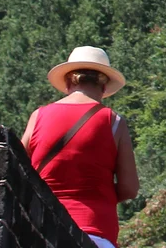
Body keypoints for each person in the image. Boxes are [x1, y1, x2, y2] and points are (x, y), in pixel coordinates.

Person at [23, 46, 138, 248]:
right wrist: (100, 194)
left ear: (68, 82)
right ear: (104, 86)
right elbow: (129, 188)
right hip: (95, 231)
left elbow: (18, 169)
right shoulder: (113, 122)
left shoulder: (38, 116)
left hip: (43, 229)